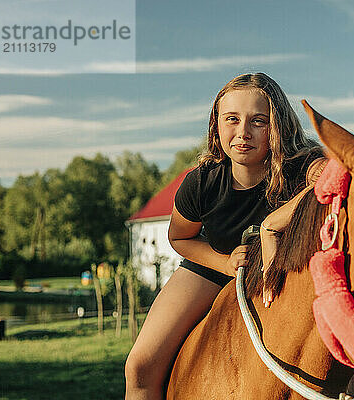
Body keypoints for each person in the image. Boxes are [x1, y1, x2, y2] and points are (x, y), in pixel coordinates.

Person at [124, 72, 326, 399]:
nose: (243, 132)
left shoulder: (302, 169)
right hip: (212, 268)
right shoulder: (201, 182)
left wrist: (319, 172)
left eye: (258, 121)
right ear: (216, 124)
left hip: (280, 274)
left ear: (279, 127)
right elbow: (181, 239)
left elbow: (334, 177)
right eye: (232, 119)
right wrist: (225, 263)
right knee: (140, 367)